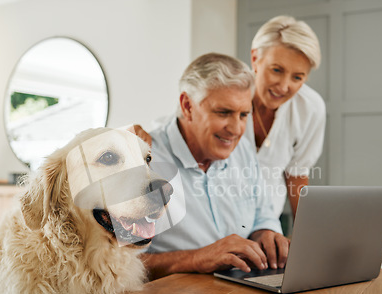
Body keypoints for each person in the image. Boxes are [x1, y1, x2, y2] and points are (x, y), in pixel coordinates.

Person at [139, 53, 289, 280]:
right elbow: (121, 265)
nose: (236, 129)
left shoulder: (244, 151)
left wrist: (266, 232)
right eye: (223, 113)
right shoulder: (143, 162)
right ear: (187, 105)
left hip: (242, 293)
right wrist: (196, 258)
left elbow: (263, 215)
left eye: (243, 115)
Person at [247, 15, 326, 220]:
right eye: (276, 70)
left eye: (297, 77)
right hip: (217, 224)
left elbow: (297, 176)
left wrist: (307, 238)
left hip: (269, 223)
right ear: (255, 59)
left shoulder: (310, 108)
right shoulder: (225, 95)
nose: (283, 87)